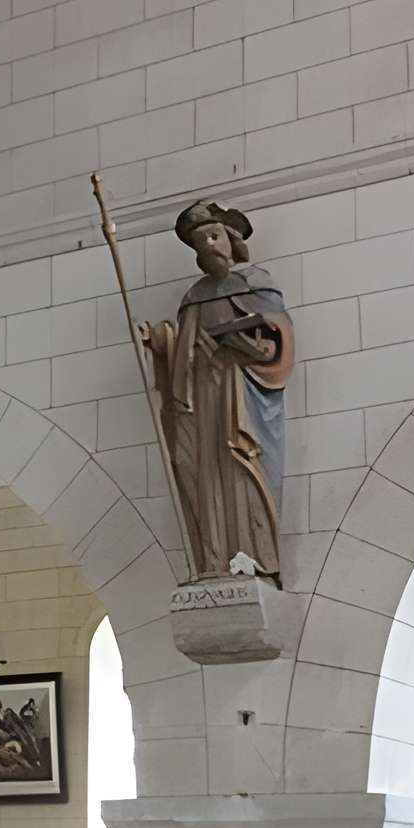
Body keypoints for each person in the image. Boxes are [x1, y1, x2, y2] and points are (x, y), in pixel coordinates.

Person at [140, 203, 295, 582]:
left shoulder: (257, 283)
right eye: (200, 242)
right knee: (206, 471)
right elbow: (183, 344)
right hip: (203, 398)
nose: (208, 246)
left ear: (231, 240)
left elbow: (277, 335)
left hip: (239, 396)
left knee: (242, 467)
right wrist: (159, 339)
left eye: (213, 236)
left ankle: (258, 555)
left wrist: (255, 345)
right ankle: (216, 559)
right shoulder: (195, 296)